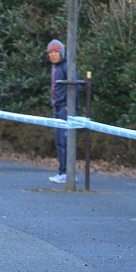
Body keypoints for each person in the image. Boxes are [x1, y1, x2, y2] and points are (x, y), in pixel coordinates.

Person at [46, 39, 79, 184]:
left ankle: (68, 173)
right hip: (56, 109)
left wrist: (69, 106)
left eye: (55, 52)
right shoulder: (54, 68)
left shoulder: (66, 67)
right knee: (58, 141)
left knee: (65, 141)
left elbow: (76, 86)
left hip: (65, 110)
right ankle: (62, 172)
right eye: (50, 52)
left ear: (62, 53)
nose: (53, 55)